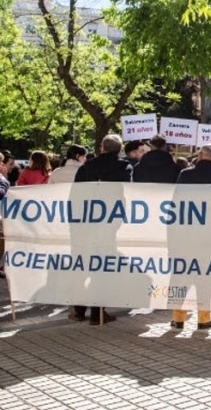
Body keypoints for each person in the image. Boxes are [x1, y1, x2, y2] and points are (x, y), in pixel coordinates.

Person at [72, 134, 132, 325]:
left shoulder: (86, 167)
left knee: (83, 264)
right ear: (119, 150)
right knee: (103, 265)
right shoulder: (124, 168)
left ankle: (79, 309)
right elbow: (128, 194)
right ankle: (98, 311)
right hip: (109, 224)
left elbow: (75, 195)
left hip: (85, 222)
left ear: (101, 148)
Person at [171, 144, 211, 331]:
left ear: (199, 156)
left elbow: (176, 204)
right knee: (208, 276)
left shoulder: (185, 175)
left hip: (186, 234)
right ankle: (204, 318)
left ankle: (178, 317)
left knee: (181, 275)